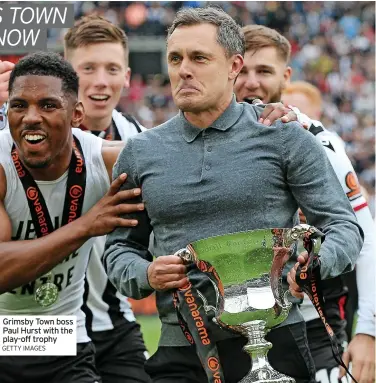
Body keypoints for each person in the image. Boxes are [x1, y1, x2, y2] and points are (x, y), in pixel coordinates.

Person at [102, 7, 363, 383]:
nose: (183, 70)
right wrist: (146, 272)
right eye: (175, 59)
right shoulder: (141, 152)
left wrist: (317, 261)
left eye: (199, 58)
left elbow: (344, 226)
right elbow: (119, 248)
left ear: (233, 65)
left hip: (276, 341)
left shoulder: (285, 138)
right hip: (181, 347)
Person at [233, 24, 375, 383]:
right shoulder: (199, 139)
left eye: (263, 71)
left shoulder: (316, 139)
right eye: (242, 70)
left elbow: (364, 235)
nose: (251, 82)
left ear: (286, 75)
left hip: (310, 321)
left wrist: (368, 331)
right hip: (227, 326)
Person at [0, 51, 142, 383]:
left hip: (66, 339)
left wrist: (269, 116)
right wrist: (86, 226)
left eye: (48, 105)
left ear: (77, 114)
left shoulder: (105, 161)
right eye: (19, 106)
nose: (31, 117)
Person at [63, 16, 151, 383]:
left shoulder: (143, 141)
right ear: (65, 74)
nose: (101, 80)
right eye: (88, 68)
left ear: (127, 76)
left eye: (112, 68)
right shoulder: (23, 136)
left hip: (115, 323)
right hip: (45, 327)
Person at [282, 81, 375, 383]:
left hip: (328, 287)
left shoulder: (326, 143)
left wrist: (368, 330)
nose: (292, 116)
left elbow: (363, 235)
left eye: (301, 110)